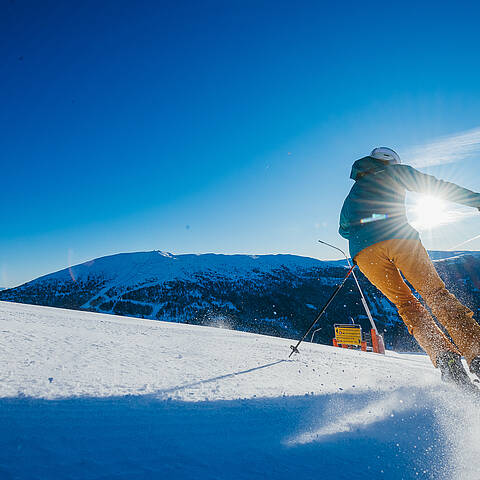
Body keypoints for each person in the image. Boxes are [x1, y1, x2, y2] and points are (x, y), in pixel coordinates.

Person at [339, 147, 480, 388]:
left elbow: (343, 230)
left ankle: (446, 361)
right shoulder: (395, 172)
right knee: (435, 294)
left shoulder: (352, 193)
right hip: (399, 238)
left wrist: (365, 238)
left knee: (406, 305)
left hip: (363, 253)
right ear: (391, 162)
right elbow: (434, 186)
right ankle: (476, 352)